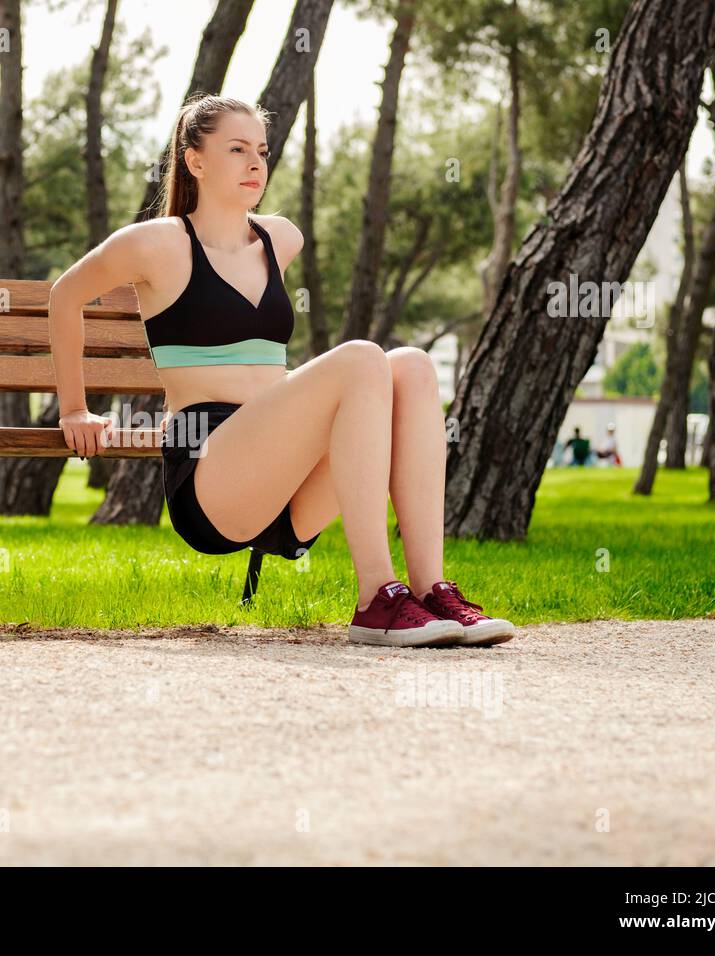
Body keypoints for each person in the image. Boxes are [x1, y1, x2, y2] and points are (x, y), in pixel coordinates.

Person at [47, 94, 515, 648]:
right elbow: (64, 296)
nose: (255, 165)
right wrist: (76, 408)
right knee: (364, 356)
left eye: (262, 152)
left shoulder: (279, 238)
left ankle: (432, 590)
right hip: (212, 475)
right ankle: (375, 600)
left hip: (287, 490)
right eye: (237, 149)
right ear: (194, 160)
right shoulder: (155, 243)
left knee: (411, 367)